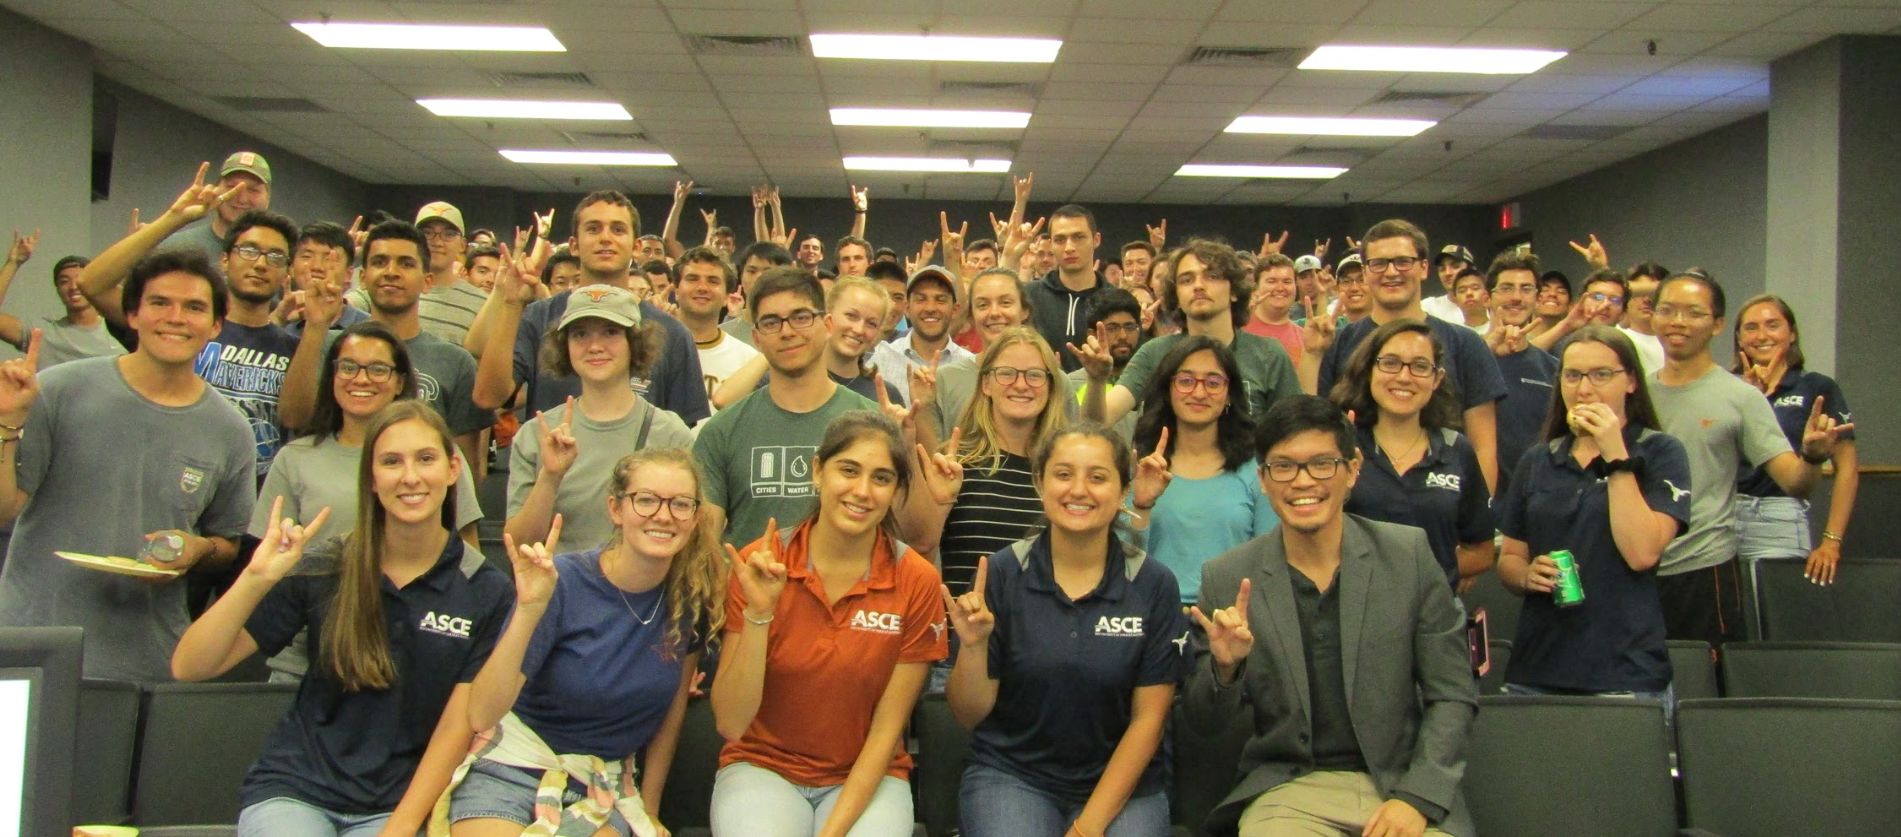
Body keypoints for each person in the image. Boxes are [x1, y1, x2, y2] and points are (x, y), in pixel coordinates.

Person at [170, 402, 511, 837]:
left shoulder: (486, 589)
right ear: (371, 479)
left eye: (425, 459)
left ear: (451, 469)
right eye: (391, 462)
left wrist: (401, 828)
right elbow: (191, 666)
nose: (410, 477)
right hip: (296, 792)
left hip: (399, 806)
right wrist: (255, 577)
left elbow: (455, 729)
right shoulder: (326, 564)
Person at [1185, 395, 1476, 837]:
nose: (1303, 482)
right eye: (1283, 467)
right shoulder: (1228, 577)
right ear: (1263, 479)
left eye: (1322, 464)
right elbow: (1204, 724)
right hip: (1289, 789)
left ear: (1352, 470)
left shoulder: (1408, 556)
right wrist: (1225, 670)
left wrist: (1418, 797)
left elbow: (1452, 695)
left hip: (1400, 784)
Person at [0, 251, 254, 681]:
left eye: (194, 307)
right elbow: (6, 510)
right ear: (132, 315)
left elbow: (227, 543)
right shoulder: (60, 389)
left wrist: (197, 550)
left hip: (148, 659)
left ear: (214, 326)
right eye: (160, 303)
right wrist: (6, 423)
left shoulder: (231, 430)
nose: (176, 317)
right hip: (36, 647)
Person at [445, 448, 723, 836]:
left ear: (695, 517)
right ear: (615, 509)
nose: (663, 515)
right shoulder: (561, 581)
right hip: (511, 769)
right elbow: (482, 714)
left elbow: (671, 714)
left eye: (680, 504)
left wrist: (651, 808)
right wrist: (527, 611)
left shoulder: (689, 603)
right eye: (645, 500)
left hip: (601, 786)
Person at [710, 412, 947, 836]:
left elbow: (886, 733)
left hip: (867, 776)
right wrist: (759, 614)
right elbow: (730, 722)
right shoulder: (758, 563)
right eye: (849, 470)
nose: (862, 491)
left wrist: (832, 832)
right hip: (763, 768)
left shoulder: (917, 580)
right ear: (818, 471)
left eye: (881, 478)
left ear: (896, 492)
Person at [944, 425, 1188, 837]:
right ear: (1040, 483)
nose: (1079, 490)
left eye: (1097, 477)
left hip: (1125, 783)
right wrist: (974, 648)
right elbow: (968, 714)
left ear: (1123, 488)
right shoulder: (1000, 574)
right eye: (1063, 474)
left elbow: (1149, 721)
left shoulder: (1154, 584)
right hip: (1014, 776)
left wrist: (1087, 828)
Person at [252, 321, 485, 679]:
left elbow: (468, 557)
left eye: (378, 369)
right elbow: (266, 565)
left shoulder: (436, 457)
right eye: (348, 367)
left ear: (400, 382)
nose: (361, 379)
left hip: (413, 651)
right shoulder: (295, 458)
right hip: (306, 657)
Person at [1649, 270, 1847, 648]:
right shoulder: (1632, 390)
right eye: (1667, 310)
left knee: (1704, 684)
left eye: (1693, 313)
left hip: (1704, 569)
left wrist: (1811, 457)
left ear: (1718, 324)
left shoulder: (1741, 397)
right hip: (1636, 565)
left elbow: (1796, 482)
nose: (1678, 322)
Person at [1494, 326, 1690, 706]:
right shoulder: (1538, 459)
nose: (1584, 389)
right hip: (1538, 668)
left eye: (1601, 375)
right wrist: (1526, 573)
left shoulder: (1660, 452)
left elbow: (1642, 553)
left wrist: (1615, 453)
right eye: (1572, 375)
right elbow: (1510, 559)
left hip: (1625, 671)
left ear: (1631, 381)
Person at [280, 220, 504, 480]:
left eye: (406, 264)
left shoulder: (455, 362)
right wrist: (315, 327)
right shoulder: (327, 343)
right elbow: (293, 418)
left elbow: (465, 473)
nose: (391, 272)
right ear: (362, 278)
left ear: (427, 281)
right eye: (379, 262)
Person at [469, 191, 710, 427]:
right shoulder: (537, 317)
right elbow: (487, 398)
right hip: (552, 465)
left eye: (618, 229)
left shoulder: (673, 333)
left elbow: (678, 441)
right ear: (574, 245)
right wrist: (511, 304)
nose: (606, 238)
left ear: (636, 247)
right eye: (593, 229)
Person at [1309, 219, 1505, 493]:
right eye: (1379, 263)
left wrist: (1477, 520)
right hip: (1357, 504)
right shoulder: (1341, 342)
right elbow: (1316, 429)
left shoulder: (1466, 343)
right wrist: (1312, 355)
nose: (1391, 272)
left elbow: (1483, 445)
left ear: (1424, 268)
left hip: (1443, 502)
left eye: (1403, 261)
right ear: (1365, 272)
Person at [694, 267, 878, 545]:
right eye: (770, 322)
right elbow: (703, 548)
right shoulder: (722, 430)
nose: (787, 331)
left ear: (827, 325)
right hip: (745, 586)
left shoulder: (871, 424)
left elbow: (910, 536)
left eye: (801, 317)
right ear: (756, 338)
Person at [507, 284, 693, 553]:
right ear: (565, 347)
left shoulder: (671, 434)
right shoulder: (537, 434)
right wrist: (550, 478)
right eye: (580, 334)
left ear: (635, 343)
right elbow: (520, 545)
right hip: (559, 589)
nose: (595, 346)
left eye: (610, 332)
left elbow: (687, 537)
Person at [899, 326, 1069, 598]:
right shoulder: (955, 465)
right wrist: (941, 504)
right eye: (1006, 373)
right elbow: (919, 550)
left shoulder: (1064, 473)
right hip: (962, 632)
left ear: (1051, 385)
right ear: (985, 384)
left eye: (1035, 375)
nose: (1021, 384)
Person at [1330, 320, 1495, 592]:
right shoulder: (1341, 446)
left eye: (1419, 366)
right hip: (1353, 613)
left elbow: (1481, 550)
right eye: (1390, 363)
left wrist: (1426, 575)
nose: (1404, 377)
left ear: (1437, 378)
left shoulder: (1457, 449)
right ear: (1369, 369)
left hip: (1435, 620)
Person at [1084, 240, 1299, 430]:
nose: (1198, 286)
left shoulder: (1268, 354)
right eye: (1186, 280)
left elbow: (1295, 432)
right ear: (1175, 294)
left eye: (1212, 276)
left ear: (1234, 290)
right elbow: (1095, 423)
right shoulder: (1154, 352)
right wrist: (1095, 381)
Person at [1128, 337, 1276, 603]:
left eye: (1213, 383)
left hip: (1232, 618)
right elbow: (1122, 562)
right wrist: (1141, 505)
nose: (1198, 393)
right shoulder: (1145, 467)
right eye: (1186, 381)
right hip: (1153, 614)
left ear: (1230, 393)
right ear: (1168, 389)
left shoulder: (1255, 471)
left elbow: (1270, 560)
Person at [1731, 294, 1857, 585]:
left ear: (1792, 333)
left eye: (1772, 325)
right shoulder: (1725, 387)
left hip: (1779, 517)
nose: (1762, 335)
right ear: (1738, 338)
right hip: (1720, 518)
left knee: (1775, 618)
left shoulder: (1816, 386)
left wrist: (1831, 541)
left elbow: (1847, 469)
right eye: (1751, 328)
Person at [712, 277, 905, 408]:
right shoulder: (787, 379)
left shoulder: (885, 394)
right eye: (851, 316)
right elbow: (723, 401)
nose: (859, 329)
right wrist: (778, 347)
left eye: (871, 323)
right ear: (826, 317)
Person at [1481, 251, 1559, 500]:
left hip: (1537, 502)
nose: (1516, 297)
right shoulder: (1464, 358)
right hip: (1478, 503)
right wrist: (1485, 352)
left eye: (1526, 289)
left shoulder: (1554, 369)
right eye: (1506, 288)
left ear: (1537, 299)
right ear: (1487, 298)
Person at [0, 234, 124, 368]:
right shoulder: (42, 334)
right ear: (58, 289)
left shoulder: (121, 332)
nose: (73, 287)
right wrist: (13, 263)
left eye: (80, 280)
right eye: (64, 281)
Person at [870, 265, 972, 405]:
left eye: (940, 299)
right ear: (907, 308)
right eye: (921, 299)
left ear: (955, 310)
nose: (930, 308)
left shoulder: (970, 367)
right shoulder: (880, 359)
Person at [1026, 205, 1106, 372]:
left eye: (1078, 237)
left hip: (1102, 396)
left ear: (1096, 240)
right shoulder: (1029, 296)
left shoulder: (1115, 298)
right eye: (1060, 240)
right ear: (1052, 245)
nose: (1069, 247)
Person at [162, 151, 272, 263]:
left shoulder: (278, 258)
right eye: (231, 186)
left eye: (253, 190)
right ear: (215, 190)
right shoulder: (175, 249)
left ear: (268, 198)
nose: (241, 199)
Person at [1068, 288, 1142, 445]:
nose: (1123, 336)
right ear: (1092, 334)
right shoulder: (1071, 384)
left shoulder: (1149, 379)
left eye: (1129, 327)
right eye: (1112, 328)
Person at [417, 201, 490, 345]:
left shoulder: (482, 304)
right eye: (427, 233)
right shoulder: (396, 291)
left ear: (462, 245)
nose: (437, 242)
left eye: (448, 234)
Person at [720, 241, 796, 348]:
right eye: (751, 271)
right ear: (741, 276)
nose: (758, 278)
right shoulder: (722, 334)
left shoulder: (795, 331)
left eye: (767, 272)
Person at [1243, 253, 1303, 362]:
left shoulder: (1306, 340)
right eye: (1272, 281)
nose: (1280, 288)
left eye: (1287, 282)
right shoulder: (1235, 331)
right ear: (1255, 287)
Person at [1421, 243, 1473, 324]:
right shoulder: (1428, 307)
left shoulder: (1488, 306)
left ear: (1472, 270)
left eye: (1455, 266)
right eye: (1442, 269)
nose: (1447, 273)